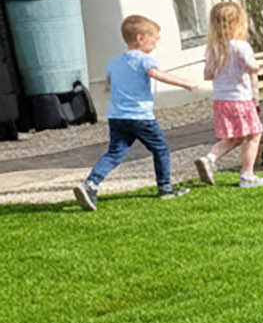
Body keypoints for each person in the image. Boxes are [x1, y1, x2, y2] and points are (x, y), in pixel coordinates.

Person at [72, 14, 202, 210]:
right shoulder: (144, 60)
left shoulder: (113, 63)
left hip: (117, 117)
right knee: (160, 149)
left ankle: (90, 184)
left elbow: (109, 85)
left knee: (115, 153)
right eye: (154, 38)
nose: (156, 42)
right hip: (140, 117)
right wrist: (186, 83)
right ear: (140, 38)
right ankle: (165, 188)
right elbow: (156, 74)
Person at [193, 1, 263, 191]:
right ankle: (247, 175)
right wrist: (257, 66)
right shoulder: (241, 46)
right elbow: (251, 67)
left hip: (220, 100)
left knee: (236, 137)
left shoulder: (213, 48)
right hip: (240, 99)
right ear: (238, 23)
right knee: (254, 135)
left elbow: (207, 75)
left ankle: (209, 158)